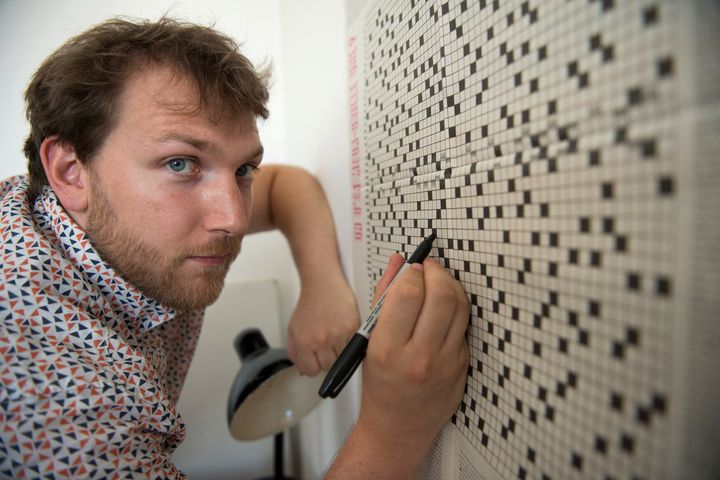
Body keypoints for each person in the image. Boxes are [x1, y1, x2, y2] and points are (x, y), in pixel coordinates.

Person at [0, 17, 469, 479]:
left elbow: (286, 184)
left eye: (243, 169)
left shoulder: (72, 212)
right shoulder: (52, 388)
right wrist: (392, 430)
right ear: (69, 171)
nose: (234, 219)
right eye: (180, 163)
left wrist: (322, 284)